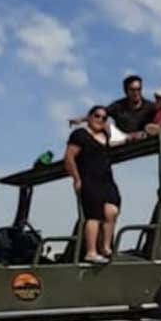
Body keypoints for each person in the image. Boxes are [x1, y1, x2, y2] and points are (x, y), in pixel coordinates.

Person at [64, 105, 121, 264]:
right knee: (93, 215)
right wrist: (76, 179)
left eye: (104, 117)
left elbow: (115, 130)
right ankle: (91, 252)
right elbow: (69, 158)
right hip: (89, 179)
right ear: (89, 117)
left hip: (107, 180)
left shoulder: (105, 134)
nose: (100, 119)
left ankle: (105, 247)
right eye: (97, 116)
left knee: (111, 211)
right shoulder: (80, 135)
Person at [70, 75, 156, 141]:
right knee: (103, 124)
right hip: (121, 139)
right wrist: (81, 119)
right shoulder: (118, 106)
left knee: (151, 126)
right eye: (132, 90)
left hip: (143, 137)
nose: (136, 93)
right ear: (126, 91)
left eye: (138, 89)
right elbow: (100, 114)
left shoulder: (150, 106)